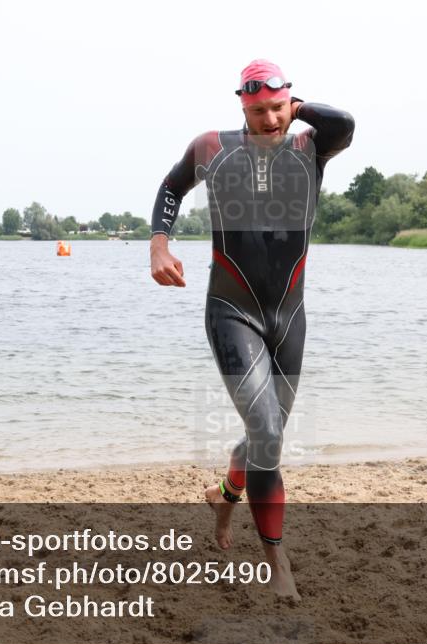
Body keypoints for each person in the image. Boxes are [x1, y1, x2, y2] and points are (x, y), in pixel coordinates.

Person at [149, 59, 354, 599]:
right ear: (242, 106)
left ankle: (224, 495)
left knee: (268, 435)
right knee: (267, 434)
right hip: (231, 311)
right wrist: (159, 244)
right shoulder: (213, 149)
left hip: (290, 316)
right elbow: (171, 187)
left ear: (292, 103)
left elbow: (345, 125)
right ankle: (277, 561)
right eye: (257, 109)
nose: (268, 119)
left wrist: (298, 108)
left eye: (277, 108)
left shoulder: (311, 148)